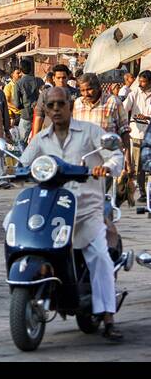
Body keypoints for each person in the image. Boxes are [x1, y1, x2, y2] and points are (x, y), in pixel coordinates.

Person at [19, 87, 124, 341]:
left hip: (86, 210)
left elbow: (116, 154)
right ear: (45, 109)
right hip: (53, 212)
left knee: (99, 255)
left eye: (60, 104)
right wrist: (16, 172)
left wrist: (105, 167)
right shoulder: (41, 139)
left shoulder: (89, 132)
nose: (55, 109)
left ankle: (108, 316)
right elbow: (23, 163)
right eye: (51, 105)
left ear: (70, 105)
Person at [73, 74, 131, 173]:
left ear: (98, 87)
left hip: (109, 160)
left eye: (89, 89)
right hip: (84, 159)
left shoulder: (113, 101)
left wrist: (127, 160)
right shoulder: (78, 103)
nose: (86, 94)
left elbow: (124, 131)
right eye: (82, 90)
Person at [125, 70, 151, 213]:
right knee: (138, 166)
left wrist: (146, 118)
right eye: (139, 81)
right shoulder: (134, 93)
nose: (140, 84)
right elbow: (124, 108)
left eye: (143, 82)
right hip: (137, 134)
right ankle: (142, 192)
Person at [31, 62, 74, 136]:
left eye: (64, 78)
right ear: (53, 78)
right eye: (58, 78)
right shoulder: (45, 94)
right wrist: (34, 139)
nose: (61, 81)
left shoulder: (75, 94)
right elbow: (39, 116)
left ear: (68, 78)